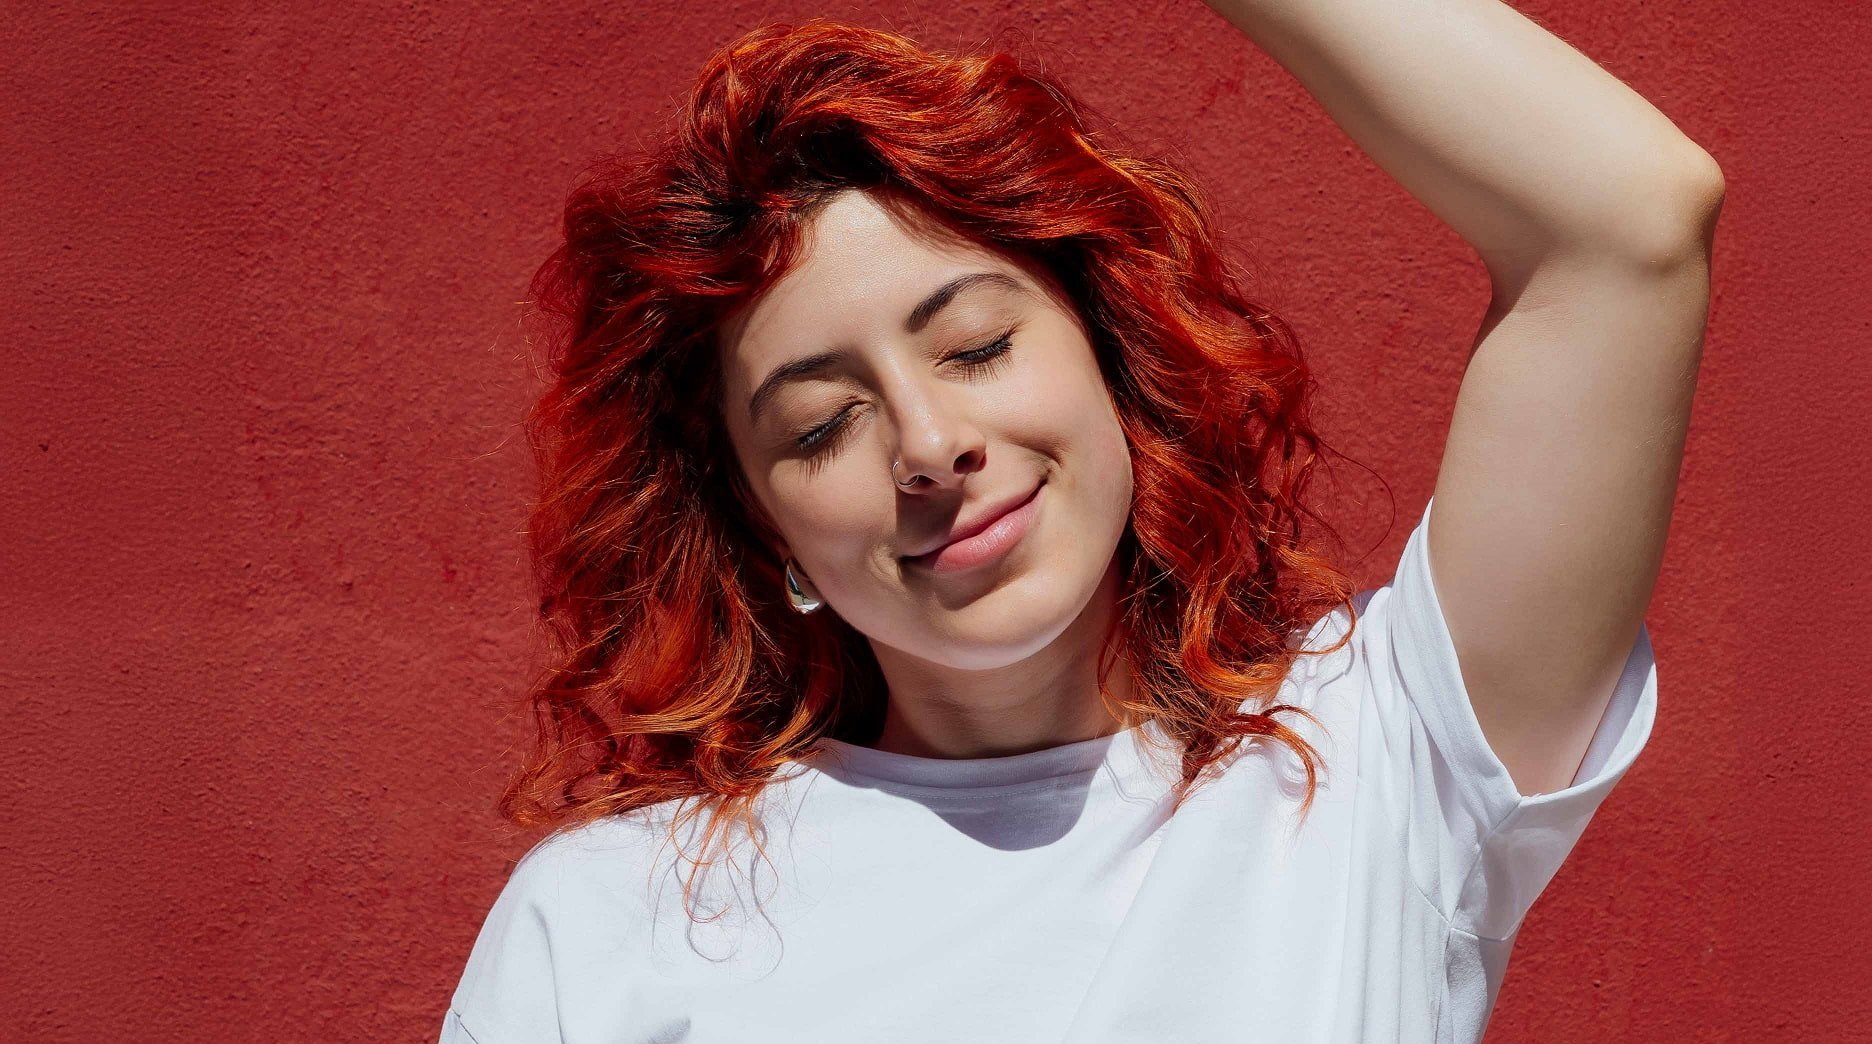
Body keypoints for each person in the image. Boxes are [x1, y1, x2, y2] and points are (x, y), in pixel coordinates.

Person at [441, 4, 1719, 1040]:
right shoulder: (608, 923)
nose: (930, 445)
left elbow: (1627, 220)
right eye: (823, 426)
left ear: (1111, 358)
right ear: (763, 530)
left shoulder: (1385, 760)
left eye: (978, 345)